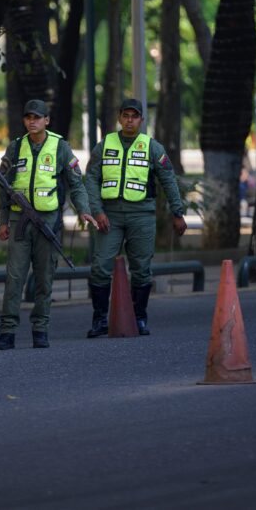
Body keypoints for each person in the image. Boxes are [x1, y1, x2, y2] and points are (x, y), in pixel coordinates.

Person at [0, 99, 97, 351]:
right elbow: (3, 187)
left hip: (47, 221)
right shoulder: (16, 147)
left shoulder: (60, 147)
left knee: (44, 278)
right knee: (14, 277)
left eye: (37, 117)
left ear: (46, 120)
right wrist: (3, 221)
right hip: (18, 220)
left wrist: (83, 210)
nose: (32, 121)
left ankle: (40, 329)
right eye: (28, 117)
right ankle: (7, 332)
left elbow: (75, 183)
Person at [85, 98, 187, 337]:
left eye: (134, 116)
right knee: (100, 267)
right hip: (109, 215)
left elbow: (168, 180)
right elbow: (91, 178)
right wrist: (97, 210)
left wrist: (178, 213)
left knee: (141, 268)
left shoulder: (152, 147)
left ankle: (139, 317)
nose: (129, 120)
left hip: (142, 215)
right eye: (125, 116)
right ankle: (100, 320)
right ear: (119, 118)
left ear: (141, 120)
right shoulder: (104, 145)